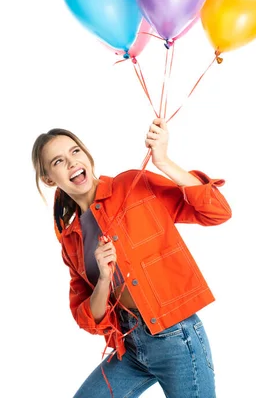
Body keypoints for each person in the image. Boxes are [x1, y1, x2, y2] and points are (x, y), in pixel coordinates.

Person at [31, 118, 232, 397]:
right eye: (58, 161)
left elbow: (217, 212)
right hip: (131, 346)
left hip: (176, 339)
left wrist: (163, 162)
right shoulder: (71, 240)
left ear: (86, 154)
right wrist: (103, 278)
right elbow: (89, 317)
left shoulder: (133, 185)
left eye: (75, 151)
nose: (71, 162)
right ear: (49, 179)